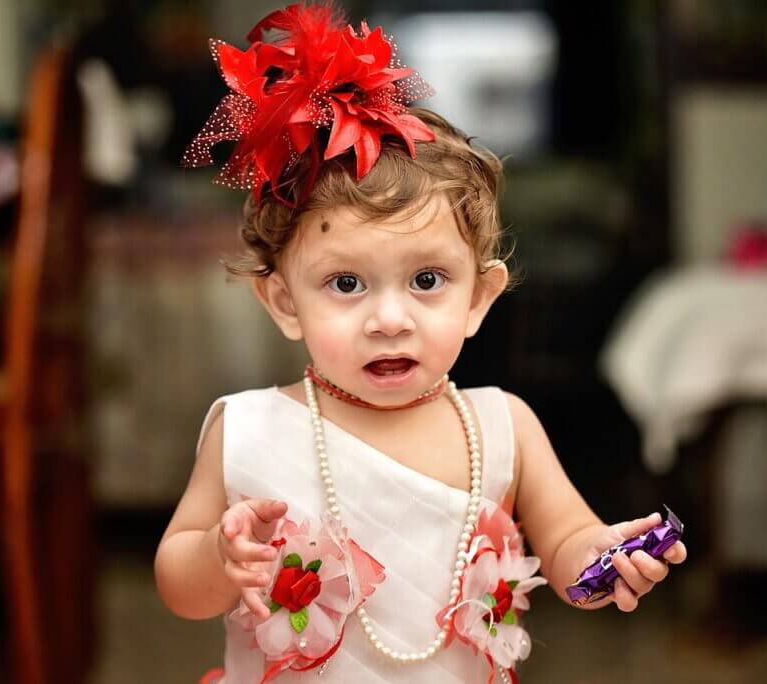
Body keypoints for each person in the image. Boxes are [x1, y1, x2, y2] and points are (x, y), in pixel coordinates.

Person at [154, 5, 687, 683]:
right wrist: (220, 562)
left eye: (427, 280)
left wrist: (609, 557)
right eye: (346, 283)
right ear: (284, 302)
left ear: (478, 299)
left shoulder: (502, 427)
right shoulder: (249, 430)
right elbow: (177, 583)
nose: (389, 318)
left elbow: (568, 545)